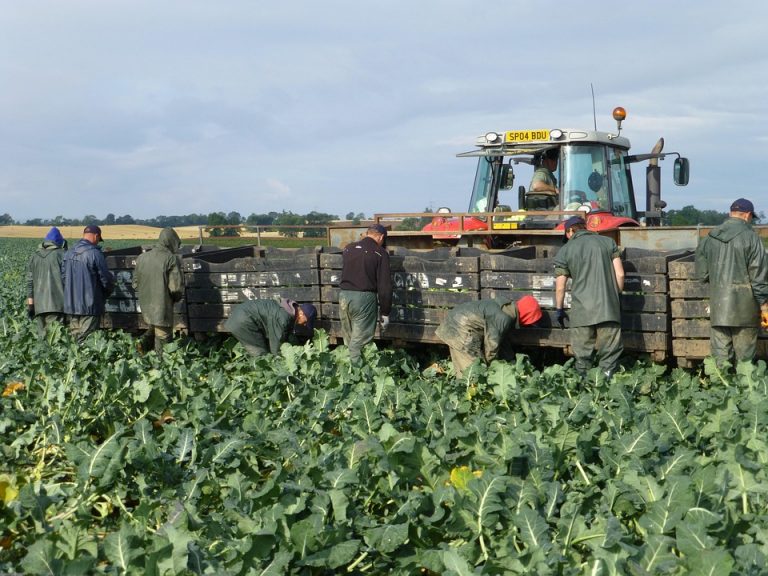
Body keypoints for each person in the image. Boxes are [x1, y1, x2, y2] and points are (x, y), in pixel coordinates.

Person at [695, 198, 768, 366]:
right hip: (745, 311)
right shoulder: (752, 238)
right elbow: (759, 277)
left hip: (719, 309)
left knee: (720, 363)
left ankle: (722, 390)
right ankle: (744, 391)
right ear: (748, 215)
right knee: (745, 364)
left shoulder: (709, 238)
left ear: (730, 213)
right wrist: (764, 307)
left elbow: (702, 274)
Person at [554, 215, 625, 379]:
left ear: (570, 231)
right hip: (608, 309)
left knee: (582, 357)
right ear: (585, 227)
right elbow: (620, 274)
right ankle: (605, 384)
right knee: (609, 353)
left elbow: (560, 287)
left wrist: (559, 309)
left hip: (581, 312)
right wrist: (616, 295)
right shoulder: (607, 243)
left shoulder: (565, 250)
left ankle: (584, 386)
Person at [435, 295, 542, 378]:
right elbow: (492, 348)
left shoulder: (505, 307)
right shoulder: (504, 318)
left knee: (464, 371)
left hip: (456, 321)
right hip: (461, 330)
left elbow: (501, 341)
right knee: (474, 373)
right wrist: (495, 369)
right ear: (526, 316)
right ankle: (472, 402)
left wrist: (510, 361)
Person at [338, 224, 392, 362]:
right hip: (363, 299)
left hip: (344, 297)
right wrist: (385, 312)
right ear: (381, 237)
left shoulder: (349, 249)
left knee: (349, 339)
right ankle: (357, 376)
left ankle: (346, 370)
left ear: (367, 233)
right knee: (360, 342)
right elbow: (384, 285)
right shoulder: (380, 253)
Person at [132, 228, 185, 355]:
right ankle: (160, 366)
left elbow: (135, 283)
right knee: (163, 338)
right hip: (162, 304)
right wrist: (176, 298)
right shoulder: (170, 259)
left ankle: (142, 345)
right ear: (171, 242)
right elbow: (175, 288)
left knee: (153, 326)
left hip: (146, 305)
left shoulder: (142, 257)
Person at [62, 224, 115, 343]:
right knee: (86, 341)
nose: (97, 242)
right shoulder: (95, 253)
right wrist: (106, 293)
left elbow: (64, 277)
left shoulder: (69, 253)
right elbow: (106, 279)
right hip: (90, 306)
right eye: (98, 239)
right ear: (96, 236)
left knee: (74, 339)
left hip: (71, 306)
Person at [224, 298, 317, 357]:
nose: (305, 324)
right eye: (306, 321)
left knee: (263, 352)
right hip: (244, 321)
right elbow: (275, 345)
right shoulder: (283, 318)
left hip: (242, 315)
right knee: (261, 356)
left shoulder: (287, 311)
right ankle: (262, 381)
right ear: (301, 313)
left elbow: (286, 335)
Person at [26, 226, 67, 339]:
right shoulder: (61, 255)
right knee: (55, 341)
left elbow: (30, 283)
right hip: (56, 305)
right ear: (59, 242)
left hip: (39, 307)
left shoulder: (34, 256)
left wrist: (31, 306)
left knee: (42, 341)